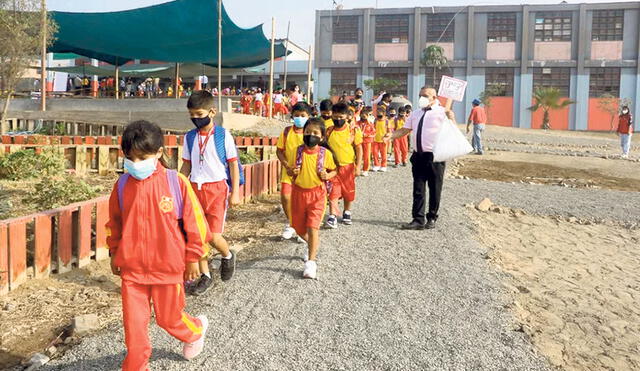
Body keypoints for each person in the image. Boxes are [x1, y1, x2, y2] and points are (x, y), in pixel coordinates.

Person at [107, 120, 211, 370]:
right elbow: (114, 224)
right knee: (134, 328)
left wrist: (194, 256)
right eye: (131, 158)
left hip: (168, 268)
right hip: (132, 271)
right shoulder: (121, 186)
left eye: (143, 157)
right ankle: (136, 365)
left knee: (169, 319)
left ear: (159, 153)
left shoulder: (176, 183)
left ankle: (195, 330)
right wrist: (113, 251)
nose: (136, 163)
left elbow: (196, 223)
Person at [180, 90, 239, 295]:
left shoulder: (223, 135)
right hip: (195, 189)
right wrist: (179, 185)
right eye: (192, 115)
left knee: (213, 236)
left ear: (212, 111)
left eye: (199, 114)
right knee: (196, 235)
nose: (195, 119)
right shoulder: (189, 138)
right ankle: (205, 275)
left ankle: (227, 255)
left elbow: (233, 164)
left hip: (216, 189)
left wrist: (235, 193)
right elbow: (186, 165)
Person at [391, 87, 455, 230]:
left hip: (435, 156)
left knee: (435, 188)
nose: (422, 98)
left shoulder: (442, 112)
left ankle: (431, 217)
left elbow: (453, 131)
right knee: (418, 188)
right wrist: (390, 136)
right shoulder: (415, 113)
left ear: (434, 97)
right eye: (420, 95)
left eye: (425, 95)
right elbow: (404, 130)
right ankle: (418, 219)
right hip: (418, 156)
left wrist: (452, 119)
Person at [290, 118, 337, 279]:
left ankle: (311, 262)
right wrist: (293, 172)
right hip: (298, 193)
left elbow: (334, 170)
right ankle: (312, 245)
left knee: (312, 226)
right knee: (297, 227)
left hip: (317, 195)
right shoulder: (297, 151)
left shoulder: (325, 154)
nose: (311, 135)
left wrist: (328, 174)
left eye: (315, 133)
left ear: (322, 137)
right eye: (308, 132)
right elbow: (290, 171)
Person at [325, 102, 363, 228]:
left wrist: (358, 166)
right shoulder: (329, 131)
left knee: (348, 191)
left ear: (347, 116)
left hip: (348, 166)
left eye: (341, 117)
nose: (338, 120)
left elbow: (359, 148)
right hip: (332, 167)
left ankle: (347, 212)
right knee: (333, 191)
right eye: (335, 117)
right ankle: (332, 216)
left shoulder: (353, 130)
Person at [276, 102, 309, 240]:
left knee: (303, 201)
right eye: (296, 115)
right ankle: (291, 223)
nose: (299, 118)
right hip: (288, 171)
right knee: (285, 197)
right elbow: (279, 151)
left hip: (306, 172)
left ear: (308, 116)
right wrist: (286, 165)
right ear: (292, 116)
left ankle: (303, 228)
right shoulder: (286, 131)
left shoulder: (310, 132)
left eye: (303, 116)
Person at [356, 106, 375, 176]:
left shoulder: (370, 124)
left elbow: (373, 132)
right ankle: (357, 168)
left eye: (365, 115)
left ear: (368, 116)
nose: (364, 116)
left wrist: (366, 134)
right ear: (360, 115)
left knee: (366, 156)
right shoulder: (357, 123)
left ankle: (365, 169)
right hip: (358, 141)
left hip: (367, 141)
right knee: (357, 155)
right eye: (362, 114)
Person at [372, 104, 390, 172]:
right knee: (375, 153)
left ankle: (383, 165)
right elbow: (373, 128)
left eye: (380, 113)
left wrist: (387, 138)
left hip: (383, 140)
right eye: (377, 113)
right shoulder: (375, 120)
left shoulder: (386, 121)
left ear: (384, 113)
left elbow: (389, 131)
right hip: (375, 140)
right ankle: (376, 165)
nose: (378, 114)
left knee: (383, 154)